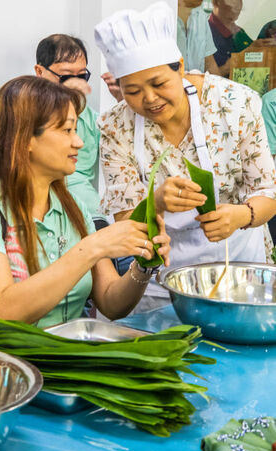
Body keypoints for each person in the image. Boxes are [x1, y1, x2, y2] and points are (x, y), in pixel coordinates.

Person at [0, 76, 171, 329]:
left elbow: (111, 303)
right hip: (3, 365)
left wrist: (145, 264)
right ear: (25, 139)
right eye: (67, 130)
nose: (78, 142)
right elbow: (2, 312)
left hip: (62, 359)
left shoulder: (73, 208)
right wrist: (94, 247)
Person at [95, 2, 276, 311]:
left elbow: (268, 193)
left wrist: (240, 216)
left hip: (240, 270)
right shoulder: (116, 126)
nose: (149, 99)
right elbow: (125, 220)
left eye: (159, 83)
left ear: (179, 65)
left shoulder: (235, 104)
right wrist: (156, 203)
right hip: (162, 278)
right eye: (133, 91)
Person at [34, 35, 101, 221]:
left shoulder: (90, 118)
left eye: (82, 76)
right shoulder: (27, 111)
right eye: (66, 76)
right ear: (40, 72)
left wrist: (123, 98)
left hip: (88, 210)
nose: (75, 83)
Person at [208, 0, 253, 78]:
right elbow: (200, 77)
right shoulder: (205, 33)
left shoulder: (240, 32)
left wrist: (258, 47)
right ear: (216, 3)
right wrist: (226, 68)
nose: (237, 4)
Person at [178, 0, 220, 74]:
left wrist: (220, 84)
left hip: (197, 84)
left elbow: (209, 63)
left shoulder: (201, 15)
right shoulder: (160, 16)